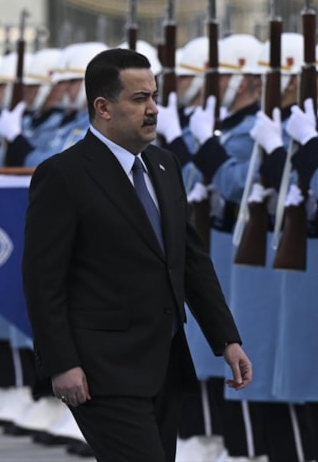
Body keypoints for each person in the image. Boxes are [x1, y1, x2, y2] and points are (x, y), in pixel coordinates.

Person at [21, 47, 252, 462]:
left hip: (163, 363)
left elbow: (190, 261)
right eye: (140, 98)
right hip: (101, 369)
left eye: (154, 97)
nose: (153, 109)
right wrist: (61, 363)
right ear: (103, 107)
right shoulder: (64, 175)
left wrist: (226, 339)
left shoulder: (164, 165)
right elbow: (43, 281)